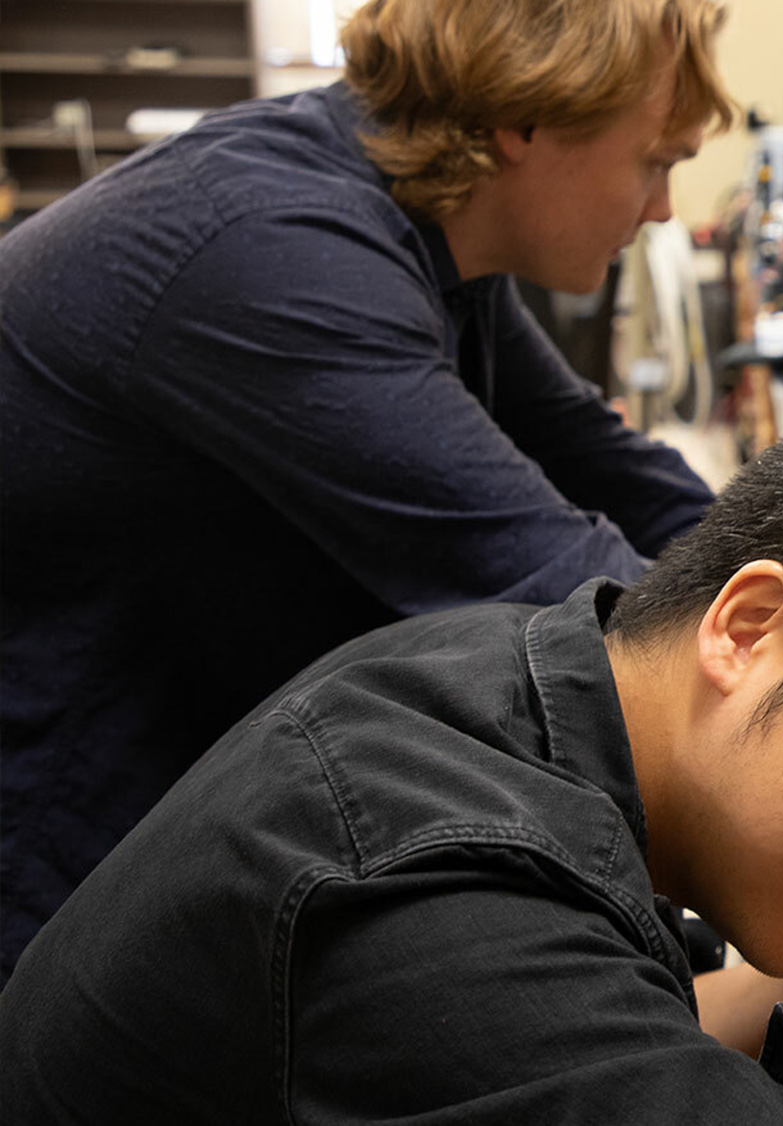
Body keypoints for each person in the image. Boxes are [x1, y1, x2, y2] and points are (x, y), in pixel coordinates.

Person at [0, 394, 783, 1124]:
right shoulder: (431, 881)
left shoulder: (504, 678)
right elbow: (505, 996)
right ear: (746, 629)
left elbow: (583, 1036)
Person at [0, 0, 733, 975]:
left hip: (181, 726)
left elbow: (608, 466)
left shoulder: (419, 218)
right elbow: (555, 586)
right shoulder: (277, 253)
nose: (662, 211)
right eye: (655, 161)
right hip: (63, 805)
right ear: (528, 121)